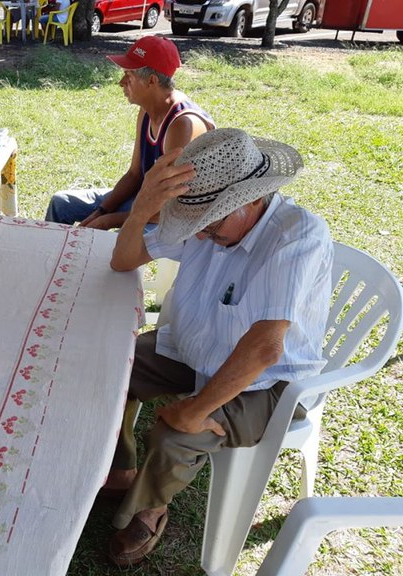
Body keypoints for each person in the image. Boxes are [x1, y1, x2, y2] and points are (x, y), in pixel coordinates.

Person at [104, 128, 334, 567]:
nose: (202, 235)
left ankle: (149, 510)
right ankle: (121, 468)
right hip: (196, 346)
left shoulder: (297, 236)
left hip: (270, 383)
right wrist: (141, 212)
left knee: (177, 433)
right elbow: (123, 260)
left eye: (212, 223)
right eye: (197, 225)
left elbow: (266, 348)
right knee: (111, 368)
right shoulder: (203, 220)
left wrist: (193, 409)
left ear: (250, 201)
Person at [44, 36, 215, 229]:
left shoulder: (182, 124)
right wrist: (101, 211)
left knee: (125, 241)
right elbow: (135, 175)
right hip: (146, 200)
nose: (121, 82)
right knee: (61, 203)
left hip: (174, 217)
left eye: (129, 75)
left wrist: (108, 220)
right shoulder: (147, 110)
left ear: (152, 80)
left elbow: (171, 207)